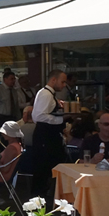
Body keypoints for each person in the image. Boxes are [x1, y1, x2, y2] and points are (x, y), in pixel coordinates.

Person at [32, 69, 68, 201]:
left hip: (48, 135)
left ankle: (47, 195)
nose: (64, 85)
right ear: (53, 80)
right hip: (44, 135)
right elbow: (39, 116)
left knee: (49, 164)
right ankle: (39, 197)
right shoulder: (45, 94)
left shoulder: (48, 94)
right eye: (62, 81)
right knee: (43, 166)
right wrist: (61, 119)